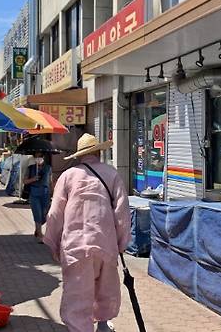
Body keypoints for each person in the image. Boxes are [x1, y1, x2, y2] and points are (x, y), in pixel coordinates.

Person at [44, 134, 131, 332]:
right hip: (105, 243)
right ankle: (102, 325)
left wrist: (53, 241)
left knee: (77, 295)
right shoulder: (111, 174)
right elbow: (122, 213)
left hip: (75, 247)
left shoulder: (68, 176)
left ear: (79, 155)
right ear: (99, 151)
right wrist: (121, 243)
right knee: (106, 289)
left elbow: (56, 212)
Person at [23, 152, 52, 242]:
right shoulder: (30, 168)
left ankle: (37, 229)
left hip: (45, 193)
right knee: (37, 213)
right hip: (34, 193)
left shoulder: (48, 168)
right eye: (36, 157)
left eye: (40, 156)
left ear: (43, 157)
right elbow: (24, 181)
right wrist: (33, 179)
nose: (38, 158)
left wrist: (52, 193)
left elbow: (50, 181)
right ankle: (39, 233)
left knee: (45, 213)